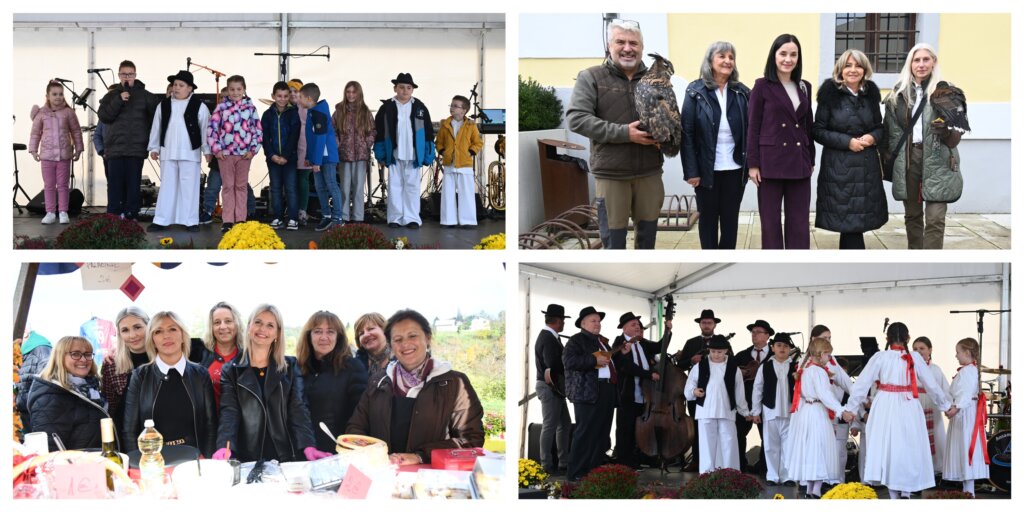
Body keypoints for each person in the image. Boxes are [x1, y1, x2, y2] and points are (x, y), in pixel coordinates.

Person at [566, 19, 663, 249]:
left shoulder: (655, 79)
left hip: (649, 172)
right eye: (621, 42)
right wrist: (624, 134)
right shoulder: (591, 77)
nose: (628, 48)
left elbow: (668, 117)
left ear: (642, 47)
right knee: (614, 243)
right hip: (611, 174)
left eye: (634, 43)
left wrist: (666, 137)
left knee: (647, 241)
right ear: (609, 45)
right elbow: (577, 118)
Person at [347, 309, 484, 465]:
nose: (405, 344)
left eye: (412, 336)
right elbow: (356, 427)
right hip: (384, 473)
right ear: (391, 344)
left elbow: (472, 440)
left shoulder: (454, 383)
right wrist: (372, 454)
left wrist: (421, 456)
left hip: (432, 479)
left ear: (428, 338)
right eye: (397, 339)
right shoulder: (378, 381)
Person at [841, 322, 955, 499]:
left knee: (888, 447)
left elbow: (861, 385)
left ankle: (894, 494)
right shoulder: (915, 358)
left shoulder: (880, 357)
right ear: (908, 339)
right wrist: (946, 406)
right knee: (908, 446)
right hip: (908, 403)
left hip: (885, 404)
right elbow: (932, 385)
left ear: (887, 339)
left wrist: (850, 409)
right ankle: (906, 492)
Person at [214, 304, 325, 462]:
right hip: (249, 457)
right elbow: (229, 413)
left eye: (270, 325)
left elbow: (298, 409)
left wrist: (308, 445)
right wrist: (224, 447)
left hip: (285, 455)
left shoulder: (291, 367)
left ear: (277, 334)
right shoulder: (231, 370)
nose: (262, 329)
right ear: (249, 326)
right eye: (258, 322)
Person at [883, 43, 965, 249]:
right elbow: (890, 134)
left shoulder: (948, 93)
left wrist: (946, 131)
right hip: (910, 159)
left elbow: (956, 138)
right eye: (916, 60)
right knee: (912, 215)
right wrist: (886, 162)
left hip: (939, 160)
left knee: (936, 218)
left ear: (934, 62)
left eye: (925, 59)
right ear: (910, 64)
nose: (921, 65)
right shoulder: (898, 95)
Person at [813, 49, 887, 249]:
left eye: (858, 65)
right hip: (839, 168)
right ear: (840, 69)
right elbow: (818, 131)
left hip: (866, 168)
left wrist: (872, 137)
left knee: (857, 221)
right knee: (849, 221)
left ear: (865, 69)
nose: (853, 70)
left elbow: (879, 127)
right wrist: (848, 142)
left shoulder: (870, 93)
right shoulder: (829, 92)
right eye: (848, 65)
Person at [746, 34, 815, 250]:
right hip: (770, 163)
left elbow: (808, 126)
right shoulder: (762, 86)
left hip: (799, 162)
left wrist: (810, 158)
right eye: (783, 53)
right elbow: (753, 127)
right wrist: (753, 164)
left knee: (799, 225)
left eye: (793, 54)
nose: (788, 59)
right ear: (774, 56)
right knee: (770, 224)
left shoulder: (804, 86)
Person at [681, 41, 750, 249]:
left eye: (731, 57)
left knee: (730, 222)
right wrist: (691, 171)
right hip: (705, 170)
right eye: (722, 56)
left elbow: (753, 130)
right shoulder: (695, 91)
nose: (727, 61)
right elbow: (687, 133)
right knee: (708, 221)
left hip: (735, 169)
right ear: (710, 60)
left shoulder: (742, 92)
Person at [122, 311, 217, 457]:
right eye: (158, 331)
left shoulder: (200, 374)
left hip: (195, 460)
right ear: (152, 339)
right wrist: (138, 464)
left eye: (172, 329)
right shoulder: (140, 376)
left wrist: (208, 458)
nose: (166, 336)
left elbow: (210, 425)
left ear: (183, 335)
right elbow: (129, 430)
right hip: (154, 463)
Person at [146, 70, 210, 233]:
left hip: (190, 152)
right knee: (167, 186)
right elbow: (156, 126)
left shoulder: (199, 106)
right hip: (168, 151)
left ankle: (190, 220)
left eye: (181, 85)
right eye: (175, 85)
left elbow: (205, 129)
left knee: (190, 187)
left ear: (190, 88)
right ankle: (161, 219)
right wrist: (154, 147)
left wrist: (207, 150)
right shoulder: (164, 104)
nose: (176, 88)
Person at [296, 310, 368, 453]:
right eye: (317, 331)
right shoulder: (298, 369)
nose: (324, 337)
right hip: (303, 452)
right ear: (309, 336)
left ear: (338, 337)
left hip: (337, 453)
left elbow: (360, 415)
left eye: (330, 332)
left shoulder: (352, 367)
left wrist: (346, 449)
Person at [98, 60, 160, 220]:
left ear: (135, 75)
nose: (127, 77)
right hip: (115, 149)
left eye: (130, 74)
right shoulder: (111, 95)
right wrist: (119, 99)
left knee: (133, 186)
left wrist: (152, 144)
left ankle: (131, 215)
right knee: (115, 186)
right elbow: (104, 116)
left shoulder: (146, 96)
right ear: (119, 76)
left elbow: (156, 119)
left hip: (136, 149)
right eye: (124, 74)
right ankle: (114, 216)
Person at [784, 337, 845, 498]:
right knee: (820, 447)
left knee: (810, 448)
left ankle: (811, 488)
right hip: (817, 411)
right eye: (828, 355)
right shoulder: (818, 372)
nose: (829, 359)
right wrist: (840, 410)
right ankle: (816, 488)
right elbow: (825, 394)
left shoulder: (805, 369)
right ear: (821, 354)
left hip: (806, 412)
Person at [27, 336, 112, 451]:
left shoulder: (89, 387)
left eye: (87, 354)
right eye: (76, 354)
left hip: (95, 464)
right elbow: (49, 450)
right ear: (59, 357)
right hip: (75, 467)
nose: (83, 359)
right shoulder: (51, 396)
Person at [562, 306, 617, 481]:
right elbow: (569, 361)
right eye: (593, 321)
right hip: (587, 393)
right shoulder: (576, 340)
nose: (597, 324)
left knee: (602, 432)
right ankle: (576, 472)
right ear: (583, 323)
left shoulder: (602, 341)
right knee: (585, 432)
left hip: (606, 390)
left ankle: (594, 471)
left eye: (599, 321)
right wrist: (593, 359)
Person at [611, 311, 672, 469]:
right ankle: (624, 463)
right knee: (626, 428)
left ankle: (636, 460)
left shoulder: (642, 342)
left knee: (639, 429)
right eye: (633, 325)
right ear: (624, 329)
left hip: (644, 394)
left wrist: (667, 332)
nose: (637, 327)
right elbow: (625, 367)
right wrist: (649, 374)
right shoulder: (619, 343)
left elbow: (659, 347)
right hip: (628, 393)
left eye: (638, 324)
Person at [374, 73, 434, 229]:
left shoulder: (420, 107)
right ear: (395, 88)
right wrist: (380, 153)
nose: (405, 91)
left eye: (409, 88)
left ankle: (412, 218)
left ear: (412, 90)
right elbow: (379, 132)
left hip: (413, 154)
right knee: (395, 186)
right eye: (401, 87)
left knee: (412, 187)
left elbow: (428, 132)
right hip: (394, 153)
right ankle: (395, 217)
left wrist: (428, 153)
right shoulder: (386, 107)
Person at [683, 334, 750, 473]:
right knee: (707, 444)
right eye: (713, 351)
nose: (716, 354)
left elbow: (739, 391)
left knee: (729, 443)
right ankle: (706, 474)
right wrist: (694, 392)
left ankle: (730, 474)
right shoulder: (699, 366)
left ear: (726, 351)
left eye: (719, 352)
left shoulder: (733, 368)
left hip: (727, 410)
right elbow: (688, 387)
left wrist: (745, 412)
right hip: (706, 411)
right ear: (709, 351)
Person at [674, 308, 730, 471]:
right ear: (700, 324)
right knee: (699, 427)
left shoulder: (723, 343)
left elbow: (730, 364)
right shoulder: (691, 343)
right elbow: (680, 365)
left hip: (719, 394)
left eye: (709, 322)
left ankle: (720, 463)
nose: (706, 325)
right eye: (704, 322)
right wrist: (691, 359)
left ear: (714, 325)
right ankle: (698, 461)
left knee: (721, 430)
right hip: (697, 391)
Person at [207, 74, 262, 233]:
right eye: (232, 89)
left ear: (244, 90)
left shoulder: (251, 108)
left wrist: (253, 150)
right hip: (226, 154)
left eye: (239, 89)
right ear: (228, 90)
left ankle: (241, 219)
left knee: (241, 186)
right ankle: (228, 220)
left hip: (245, 155)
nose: (235, 92)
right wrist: (216, 149)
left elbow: (257, 130)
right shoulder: (221, 108)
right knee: (228, 186)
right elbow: (212, 130)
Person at [29, 81, 83, 225]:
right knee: (49, 185)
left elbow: (76, 131)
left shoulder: (68, 112)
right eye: (54, 94)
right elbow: (35, 133)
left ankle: (63, 211)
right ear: (47, 96)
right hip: (47, 156)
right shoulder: (41, 113)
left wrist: (78, 148)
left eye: (60, 94)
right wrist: (33, 150)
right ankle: (50, 212)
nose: (58, 97)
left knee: (63, 185)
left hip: (64, 155)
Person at [199, 87, 256, 225]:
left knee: (241, 186)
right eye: (223, 97)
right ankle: (207, 211)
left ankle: (250, 211)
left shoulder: (245, 111)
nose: (226, 98)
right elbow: (210, 134)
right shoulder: (217, 115)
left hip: (237, 157)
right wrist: (213, 151)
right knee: (213, 185)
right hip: (220, 159)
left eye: (227, 96)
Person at [943, 337, 988, 497]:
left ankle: (969, 490)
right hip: (963, 411)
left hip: (966, 414)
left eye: (958, 352)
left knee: (965, 446)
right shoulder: (968, 370)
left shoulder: (969, 371)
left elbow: (966, 393)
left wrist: (956, 408)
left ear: (967, 352)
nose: (956, 356)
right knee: (962, 447)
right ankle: (966, 489)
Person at [750, 332, 798, 484]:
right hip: (770, 411)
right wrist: (756, 411)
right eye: (779, 345)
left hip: (790, 412)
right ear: (772, 348)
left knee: (788, 446)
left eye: (785, 346)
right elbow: (757, 389)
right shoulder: (765, 366)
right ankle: (772, 476)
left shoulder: (795, 366)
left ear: (789, 349)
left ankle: (787, 476)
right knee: (771, 446)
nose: (782, 348)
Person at [298, 83, 343, 232]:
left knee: (331, 185)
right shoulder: (312, 111)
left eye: (301, 98)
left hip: (326, 157)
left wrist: (316, 161)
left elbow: (321, 138)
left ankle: (338, 218)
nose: (299, 100)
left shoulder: (319, 113)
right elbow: (311, 138)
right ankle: (326, 215)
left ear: (309, 98)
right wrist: (308, 156)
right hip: (317, 157)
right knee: (319, 187)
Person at [534, 304, 571, 474]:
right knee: (550, 426)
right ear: (558, 321)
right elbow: (553, 364)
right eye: (562, 320)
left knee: (564, 424)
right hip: (549, 387)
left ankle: (563, 462)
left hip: (554, 387)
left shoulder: (550, 336)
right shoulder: (548, 338)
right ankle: (546, 465)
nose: (563, 323)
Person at [100, 307, 151, 432]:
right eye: (125, 330)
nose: (132, 335)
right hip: (128, 435)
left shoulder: (165, 357)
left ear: (149, 326)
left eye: (137, 327)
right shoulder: (111, 364)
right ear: (119, 334)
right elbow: (110, 408)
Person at [435, 94, 483, 228]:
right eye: (451, 105)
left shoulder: (470, 125)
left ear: (464, 110)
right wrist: (443, 152)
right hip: (449, 163)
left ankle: (468, 220)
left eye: (456, 106)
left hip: (465, 164)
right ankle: (448, 220)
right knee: (447, 194)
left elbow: (478, 142)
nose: (452, 108)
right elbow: (439, 142)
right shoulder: (445, 125)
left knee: (466, 193)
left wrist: (470, 152)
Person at [332, 81, 375, 223]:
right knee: (344, 187)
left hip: (361, 156)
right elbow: (333, 131)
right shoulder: (339, 111)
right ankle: (344, 215)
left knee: (358, 188)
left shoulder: (365, 111)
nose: (350, 94)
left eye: (353, 92)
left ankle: (358, 217)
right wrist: (338, 145)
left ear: (359, 93)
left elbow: (372, 131)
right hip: (344, 155)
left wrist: (366, 143)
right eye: (348, 92)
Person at [734, 319, 773, 473]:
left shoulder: (775, 355)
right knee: (738, 433)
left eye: (758, 332)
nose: (754, 335)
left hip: (768, 402)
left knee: (768, 437)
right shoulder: (742, 355)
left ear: (767, 336)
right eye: (753, 332)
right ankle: (740, 466)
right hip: (744, 401)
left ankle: (764, 467)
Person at [261, 81, 301, 230]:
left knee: (291, 188)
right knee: (275, 188)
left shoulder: (293, 113)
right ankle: (277, 217)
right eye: (279, 96)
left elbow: (293, 136)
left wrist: (285, 155)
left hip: (289, 158)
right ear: (273, 96)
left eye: (285, 96)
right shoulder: (267, 114)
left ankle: (293, 218)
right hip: (272, 159)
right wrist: (271, 155)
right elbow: (264, 137)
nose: (283, 99)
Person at [912, 335, 951, 475]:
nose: (918, 351)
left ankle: (935, 471)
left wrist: (949, 407)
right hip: (914, 406)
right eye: (915, 349)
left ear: (930, 350)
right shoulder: (909, 368)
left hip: (932, 406)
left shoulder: (935, 369)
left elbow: (945, 390)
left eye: (922, 348)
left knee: (935, 437)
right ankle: (916, 470)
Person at [196, 302, 244, 406]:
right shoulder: (199, 353)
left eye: (228, 321)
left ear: (237, 324)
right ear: (211, 328)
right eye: (217, 322)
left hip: (239, 421)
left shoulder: (247, 357)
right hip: (207, 421)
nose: (223, 326)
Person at [16, 332, 52, 432]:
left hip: (35, 418)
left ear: (25, 331)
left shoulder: (42, 350)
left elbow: (46, 387)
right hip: (21, 417)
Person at [289, 79, 313, 225]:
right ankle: (292, 210)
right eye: (290, 91)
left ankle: (302, 211)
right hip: (290, 148)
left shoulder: (305, 107)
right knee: (291, 181)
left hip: (304, 146)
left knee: (303, 179)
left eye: (295, 91)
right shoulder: (286, 107)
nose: (292, 94)